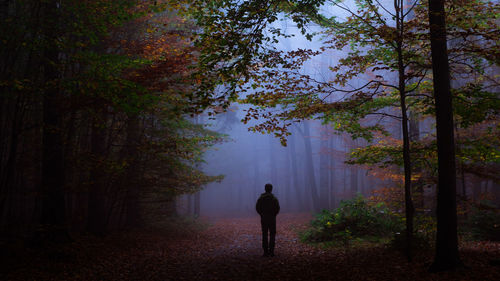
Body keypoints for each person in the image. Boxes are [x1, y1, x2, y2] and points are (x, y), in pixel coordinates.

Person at [255, 183, 280, 257]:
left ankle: (265, 252)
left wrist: (261, 214)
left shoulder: (261, 198)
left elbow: (257, 208)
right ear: (271, 189)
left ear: (265, 189)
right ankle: (271, 252)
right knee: (272, 234)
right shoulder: (274, 198)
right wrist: (274, 215)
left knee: (264, 234)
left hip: (264, 219)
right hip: (272, 219)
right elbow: (277, 208)